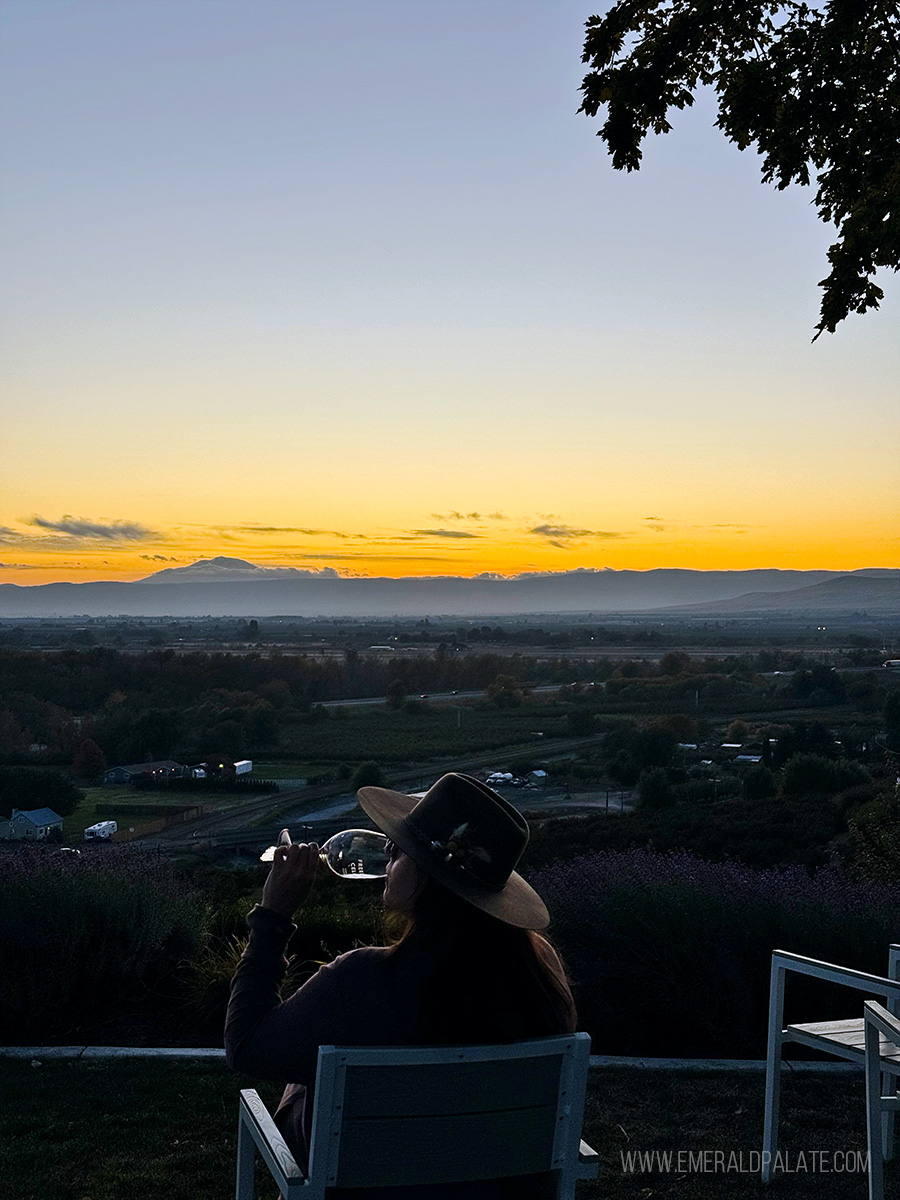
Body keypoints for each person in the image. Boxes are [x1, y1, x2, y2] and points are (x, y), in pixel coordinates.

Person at [225, 771, 577, 1197]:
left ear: (433, 880)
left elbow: (246, 1044)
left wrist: (274, 915)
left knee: (304, 1083)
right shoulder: (538, 978)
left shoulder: (357, 984)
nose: (388, 845)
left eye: (404, 845)